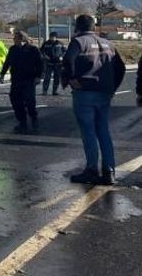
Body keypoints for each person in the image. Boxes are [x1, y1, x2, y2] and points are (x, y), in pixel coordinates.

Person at [62, 14, 126, 185]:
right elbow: (121, 67)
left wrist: (72, 79)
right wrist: (112, 88)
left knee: (88, 131)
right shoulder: (109, 44)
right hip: (104, 93)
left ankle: (91, 170)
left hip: (85, 92)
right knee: (103, 131)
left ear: (78, 27)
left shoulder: (79, 42)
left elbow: (68, 60)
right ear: (94, 26)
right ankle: (109, 171)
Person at [0, 30, 44, 133]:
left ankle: (34, 118)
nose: (13, 40)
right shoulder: (13, 49)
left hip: (29, 79)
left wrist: (39, 76)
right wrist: (2, 74)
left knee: (29, 101)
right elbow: (7, 62)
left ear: (22, 39)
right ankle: (22, 121)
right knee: (15, 100)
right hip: (16, 79)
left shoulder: (33, 50)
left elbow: (40, 64)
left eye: (15, 38)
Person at [40, 31, 65, 96]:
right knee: (47, 78)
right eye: (51, 37)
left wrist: (62, 57)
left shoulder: (60, 43)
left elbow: (65, 51)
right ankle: (45, 91)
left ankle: (55, 91)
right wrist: (44, 56)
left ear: (56, 37)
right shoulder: (46, 44)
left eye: (54, 37)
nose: (52, 38)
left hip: (58, 63)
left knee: (57, 78)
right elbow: (41, 51)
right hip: (49, 63)